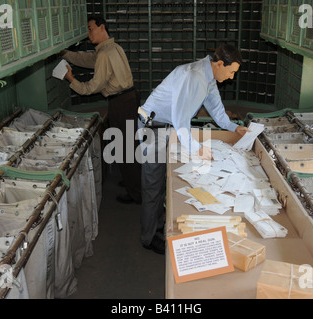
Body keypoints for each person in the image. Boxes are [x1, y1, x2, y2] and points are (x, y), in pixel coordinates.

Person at [137, 44, 250, 254]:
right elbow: (181, 121)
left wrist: (236, 128)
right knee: (153, 183)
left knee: (163, 181)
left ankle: (158, 224)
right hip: (152, 128)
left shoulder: (208, 77)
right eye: (231, 71)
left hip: (166, 127)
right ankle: (148, 237)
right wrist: (197, 149)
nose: (232, 77)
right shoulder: (194, 77)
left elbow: (217, 110)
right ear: (218, 64)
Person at [62, 16, 142, 205]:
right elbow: (88, 59)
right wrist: (66, 54)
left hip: (121, 103)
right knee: (130, 146)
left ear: (102, 27)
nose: (88, 34)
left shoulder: (105, 53)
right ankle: (134, 182)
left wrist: (71, 79)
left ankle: (136, 193)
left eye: (91, 29)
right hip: (129, 99)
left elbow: (93, 87)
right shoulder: (113, 48)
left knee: (124, 149)